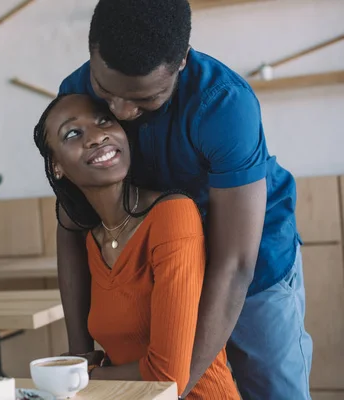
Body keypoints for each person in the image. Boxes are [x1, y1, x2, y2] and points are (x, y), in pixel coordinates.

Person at [54, 0, 312, 399]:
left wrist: (171, 388)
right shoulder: (75, 93)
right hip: (165, 272)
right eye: (106, 93)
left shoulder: (224, 103)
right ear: (92, 52)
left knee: (272, 389)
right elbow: (73, 219)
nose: (121, 111)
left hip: (253, 263)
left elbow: (235, 263)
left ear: (181, 63)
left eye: (144, 99)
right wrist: (79, 355)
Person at [33, 92, 240, 398]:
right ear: (57, 167)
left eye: (104, 121)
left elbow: (167, 377)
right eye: (73, 133)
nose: (97, 136)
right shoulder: (92, 241)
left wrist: (83, 374)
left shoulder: (173, 215)